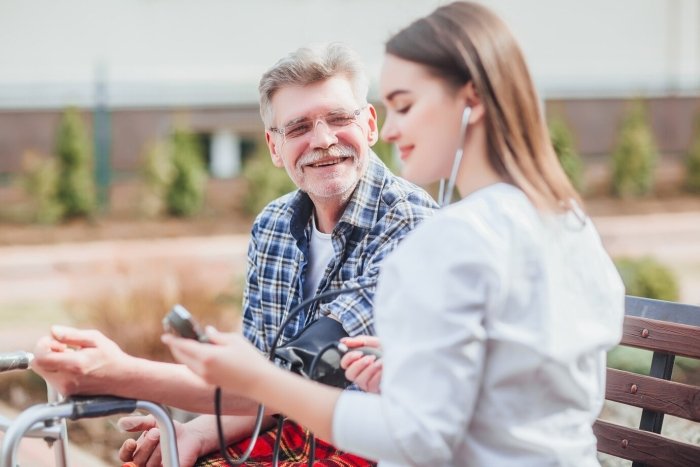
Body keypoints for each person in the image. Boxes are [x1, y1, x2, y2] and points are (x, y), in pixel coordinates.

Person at [162, 2, 626, 466]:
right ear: (274, 144)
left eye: (403, 105)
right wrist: (404, 371)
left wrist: (257, 380)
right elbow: (529, 395)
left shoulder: (451, 236)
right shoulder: (566, 221)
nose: (393, 128)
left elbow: (419, 437)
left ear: (472, 101)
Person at [30, 43, 437, 466]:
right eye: (298, 128)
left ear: (370, 124)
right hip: (297, 428)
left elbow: (298, 372)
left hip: (380, 442)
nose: (323, 140)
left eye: (338, 118)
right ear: (274, 147)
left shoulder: (410, 223)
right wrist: (196, 434)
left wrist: (118, 374)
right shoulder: (273, 225)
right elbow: (263, 381)